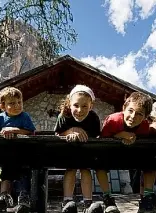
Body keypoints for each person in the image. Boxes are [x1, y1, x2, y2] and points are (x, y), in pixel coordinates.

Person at [100, 92, 156, 213]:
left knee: (151, 163)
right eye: (130, 111)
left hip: (131, 156)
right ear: (123, 108)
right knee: (99, 166)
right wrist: (119, 135)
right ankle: (108, 198)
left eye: (139, 114)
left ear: (145, 116)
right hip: (109, 154)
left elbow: (144, 142)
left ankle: (147, 199)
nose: (133, 116)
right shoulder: (112, 120)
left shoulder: (144, 126)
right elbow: (103, 139)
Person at [0, 86, 36, 213]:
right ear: (3, 106)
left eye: (19, 102)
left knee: (24, 175)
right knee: (6, 174)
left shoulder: (24, 116)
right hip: (6, 153)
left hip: (23, 153)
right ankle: (4, 197)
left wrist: (14, 130)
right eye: (12, 103)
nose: (17, 106)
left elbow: (31, 132)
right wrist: (1, 135)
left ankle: (24, 199)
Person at [54, 85, 100, 213]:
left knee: (86, 171)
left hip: (86, 149)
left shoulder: (94, 118)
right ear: (69, 104)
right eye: (76, 105)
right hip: (69, 149)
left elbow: (96, 136)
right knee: (71, 170)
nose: (80, 110)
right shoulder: (64, 116)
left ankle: (88, 202)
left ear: (91, 105)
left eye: (85, 106)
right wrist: (70, 131)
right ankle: (67, 201)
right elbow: (58, 133)